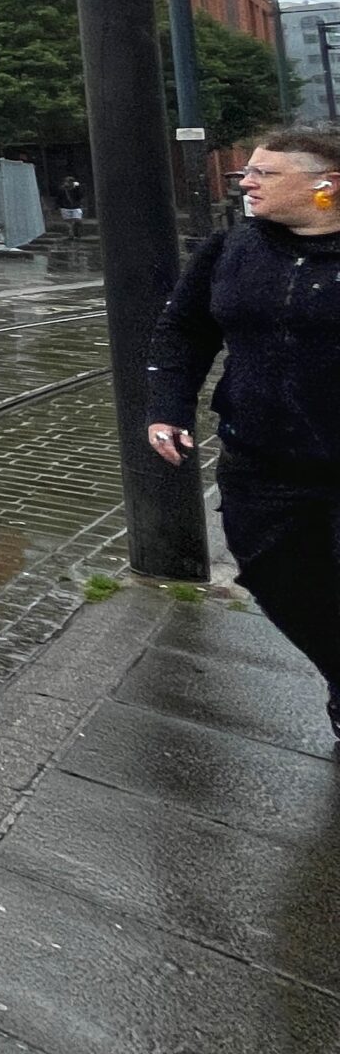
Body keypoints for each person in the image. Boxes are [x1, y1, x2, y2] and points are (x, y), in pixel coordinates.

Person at [146, 127, 340, 743]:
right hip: (261, 463)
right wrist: (166, 406)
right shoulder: (232, 250)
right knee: (278, 579)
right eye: (246, 174)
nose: (246, 182)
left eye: (263, 173)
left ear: (323, 186)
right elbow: (184, 330)